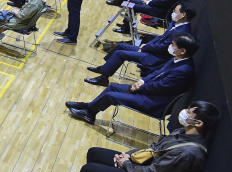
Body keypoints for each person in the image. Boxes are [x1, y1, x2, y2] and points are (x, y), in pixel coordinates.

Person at [60, 101, 217, 172]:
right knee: (94, 153)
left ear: (198, 123)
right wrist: (128, 155)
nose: (184, 113)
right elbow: (153, 149)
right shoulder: (183, 132)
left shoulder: (189, 153)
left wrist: (126, 164)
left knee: (89, 170)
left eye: (189, 113)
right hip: (141, 167)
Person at [66, 34, 197, 124]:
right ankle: (89, 110)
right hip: (147, 90)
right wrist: (142, 81)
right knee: (112, 87)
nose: (171, 47)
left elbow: (161, 88)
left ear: (182, 50)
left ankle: (89, 112)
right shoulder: (177, 59)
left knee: (111, 95)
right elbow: (157, 72)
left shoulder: (184, 70)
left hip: (154, 102)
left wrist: (139, 87)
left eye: (173, 45)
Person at [89, 3, 194, 84]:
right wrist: (145, 46)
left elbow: (163, 47)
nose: (173, 12)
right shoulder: (179, 25)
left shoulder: (181, 32)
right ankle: (105, 68)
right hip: (151, 51)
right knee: (120, 46)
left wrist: (144, 49)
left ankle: (103, 78)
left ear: (183, 14)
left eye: (175, 11)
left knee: (119, 53)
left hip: (156, 58)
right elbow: (160, 39)